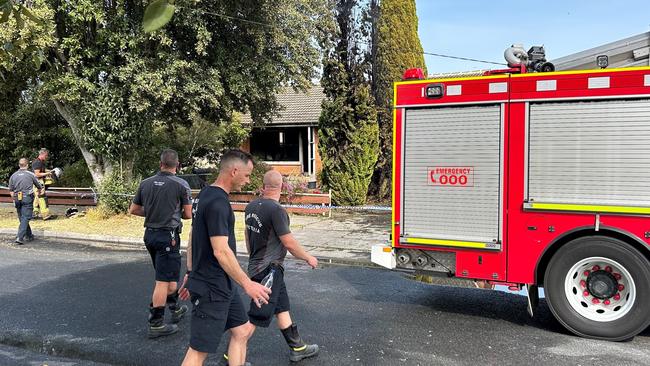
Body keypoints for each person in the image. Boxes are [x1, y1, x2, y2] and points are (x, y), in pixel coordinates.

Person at [179, 150, 271, 366]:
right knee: (198, 352)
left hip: (222, 285)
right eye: (247, 175)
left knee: (241, 331)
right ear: (234, 171)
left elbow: (194, 235)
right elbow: (221, 251)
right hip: (213, 288)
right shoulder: (219, 203)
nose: (248, 181)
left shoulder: (204, 195)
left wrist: (191, 272)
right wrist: (248, 284)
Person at [242, 170, 319, 363]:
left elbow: (246, 235)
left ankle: (298, 347)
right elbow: (289, 243)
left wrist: (253, 258)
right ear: (282, 187)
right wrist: (308, 257)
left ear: (263, 185)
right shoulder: (276, 210)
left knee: (281, 307)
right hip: (269, 270)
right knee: (257, 315)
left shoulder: (251, 206)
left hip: (259, 266)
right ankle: (231, 356)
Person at [129, 149, 193, 338]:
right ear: (177, 165)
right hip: (168, 236)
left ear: (161, 164)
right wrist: (174, 213)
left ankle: (174, 308)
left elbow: (134, 209)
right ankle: (156, 322)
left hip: (150, 235)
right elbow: (188, 214)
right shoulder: (181, 184)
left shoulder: (145, 183)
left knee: (168, 277)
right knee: (163, 281)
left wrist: (152, 213)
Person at [8, 158, 44, 245]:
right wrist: (40, 191)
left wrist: (15, 199)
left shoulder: (13, 175)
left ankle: (29, 235)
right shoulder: (30, 174)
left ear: (19, 165)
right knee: (26, 217)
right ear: (27, 165)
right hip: (27, 198)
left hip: (17, 198)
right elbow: (38, 185)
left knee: (22, 217)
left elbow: (11, 191)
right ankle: (19, 237)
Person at [31, 148, 52, 220]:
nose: (47, 157)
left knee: (37, 198)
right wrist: (47, 173)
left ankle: (34, 213)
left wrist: (48, 171)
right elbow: (37, 174)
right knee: (42, 197)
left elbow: (41, 170)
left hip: (40, 182)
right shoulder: (37, 162)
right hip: (37, 182)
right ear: (42, 154)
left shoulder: (41, 162)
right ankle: (45, 215)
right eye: (46, 155)